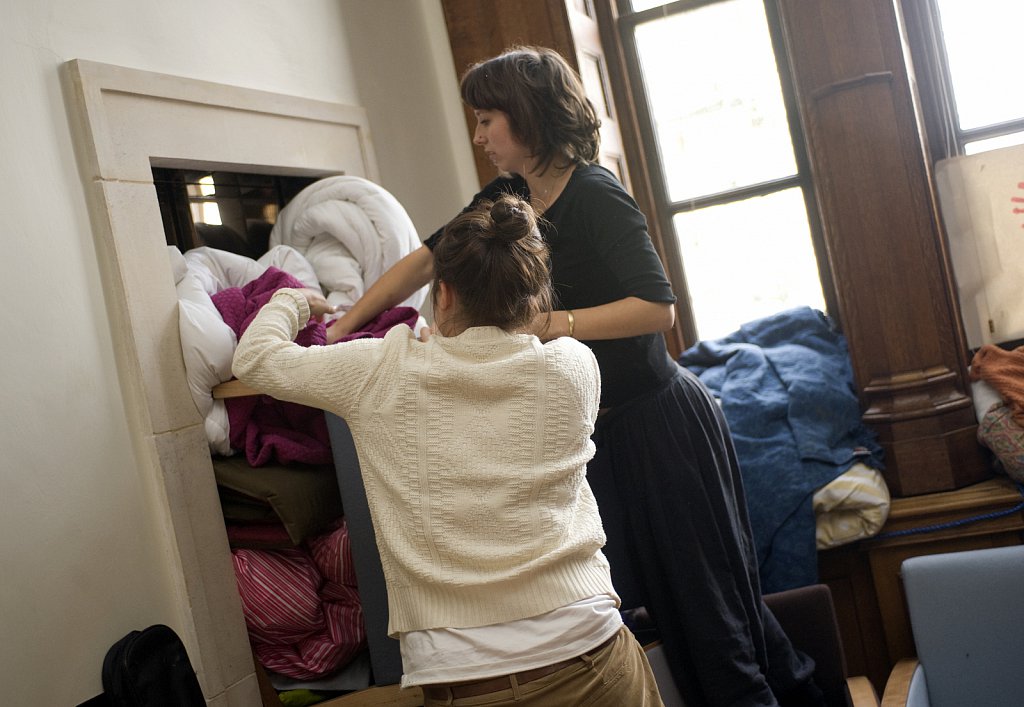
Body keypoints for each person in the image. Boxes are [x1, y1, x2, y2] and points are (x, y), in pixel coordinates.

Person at [326, 46, 825, 707]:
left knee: (718, 629)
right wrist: (345, 322)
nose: (477, 136)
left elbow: (657, 307)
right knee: (652, 614)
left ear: (525, 116)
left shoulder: (596, 194)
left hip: (662, 428)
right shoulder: (508, 196)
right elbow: (427, 258)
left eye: (485, 120)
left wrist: (552, 323)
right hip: (603, 439)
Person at [232, 194, 665, 706]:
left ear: (444, 296)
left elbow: (256, 360)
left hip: (474, 684)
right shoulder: (574, 367)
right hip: (598, 653)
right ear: (533, 298)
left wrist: (293, 299)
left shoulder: (382, 368)